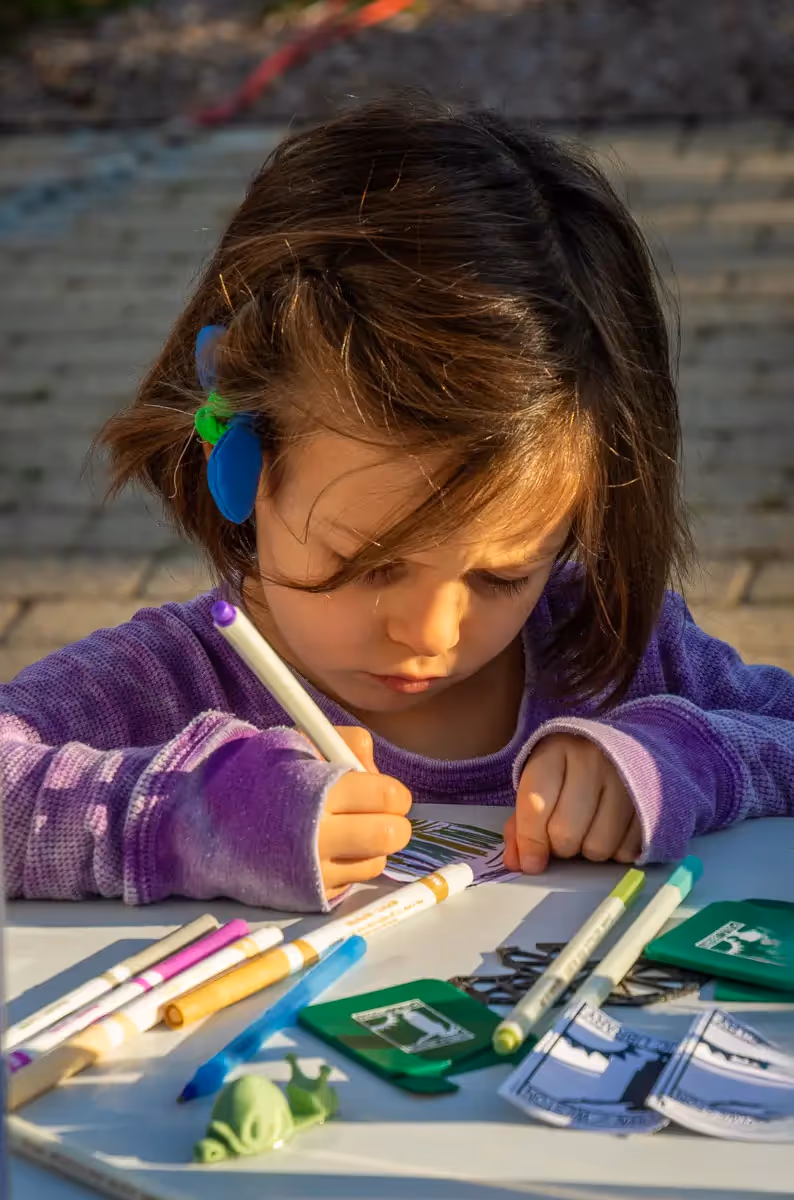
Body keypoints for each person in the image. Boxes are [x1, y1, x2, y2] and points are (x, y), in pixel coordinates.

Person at [3, 93, 793, 912]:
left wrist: (685, 757)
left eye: (503, 576)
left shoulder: (616, 653)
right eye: (369, 563)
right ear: (235, 453)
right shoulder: (173, 682)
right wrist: (189, 814)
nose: (430, 633)